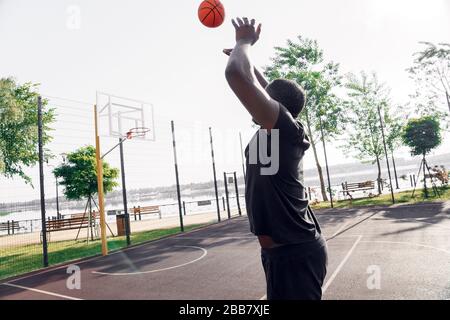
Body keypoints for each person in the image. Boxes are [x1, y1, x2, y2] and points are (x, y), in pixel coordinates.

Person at [224, 17, 328, 300]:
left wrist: (243, 43)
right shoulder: (280, 128)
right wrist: (251, 66)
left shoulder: (284, 127)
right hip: (280, 254)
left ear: (278, 108)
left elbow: (235, 75)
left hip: (295, 252)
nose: (258, 99)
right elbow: (268, 90)